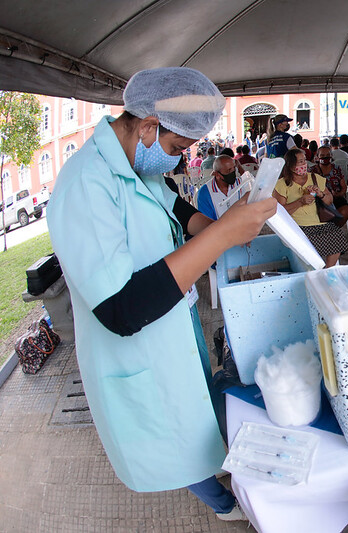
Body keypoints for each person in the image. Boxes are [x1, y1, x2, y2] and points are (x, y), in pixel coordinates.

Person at [46, 67, 277, 521]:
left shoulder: (135, 162)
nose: (175, 162)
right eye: (175, 149)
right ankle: (224, 504)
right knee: (175, 442)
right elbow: (121, 308)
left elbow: (175, 206)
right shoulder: (85, 185)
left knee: (194, 420)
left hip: (172, 328)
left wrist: (214, 227)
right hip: (136, 353)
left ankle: (219, 471)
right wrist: (222, 238)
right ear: (149, 126)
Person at [273, 148, 348, 268]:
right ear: (291, 165)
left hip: (319, 222)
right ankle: (311, 269)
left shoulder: (315, 178)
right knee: (306, 244)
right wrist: (300, 202)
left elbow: (329, 201)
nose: (304, 164)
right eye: (300, 162)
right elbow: (279, 212)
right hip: (297, 226)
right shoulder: (282, 184)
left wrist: (321, 194)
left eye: (304, 161)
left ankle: (327, 271)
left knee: (336, 235)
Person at [310, 146, 348, 229]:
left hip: (337, 198)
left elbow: (344, 187)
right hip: (319, 200)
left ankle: (333, 230)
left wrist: (338, 194)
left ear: (331, 156)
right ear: (317, 157)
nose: (325, 157)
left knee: (346, 211)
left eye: (328, 155)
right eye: (322, 155)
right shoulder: (313, 171)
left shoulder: (336, 169)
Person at [196, 155, 244, 221]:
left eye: (234, 169)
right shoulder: (205, 193)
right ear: (217, 175)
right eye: (229, 171)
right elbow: (207, 223)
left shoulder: (241, 183)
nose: (233, 173)